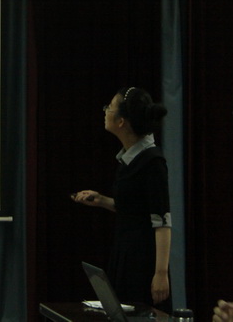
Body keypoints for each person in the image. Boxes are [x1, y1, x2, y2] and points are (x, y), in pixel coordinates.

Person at [72, 86, 172, 312]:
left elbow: (162, 221)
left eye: (109, 107)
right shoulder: (128, 158)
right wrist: (101, 200)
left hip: (143, 258)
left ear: (121, 122)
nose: (105, 111)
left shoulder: (152, 162)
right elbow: (134, 209)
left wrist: (160, 273)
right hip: (124, 252)